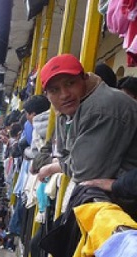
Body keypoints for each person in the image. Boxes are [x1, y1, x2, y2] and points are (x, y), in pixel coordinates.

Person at [35, 54, 137, 189]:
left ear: (85, 79)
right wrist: (65, 162)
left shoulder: (100, 108)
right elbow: (62, 154)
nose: (64, 94)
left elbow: (85, 172)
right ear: (47, 95)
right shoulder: (68, 110)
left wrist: (56, 166)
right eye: (55, 90)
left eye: (70, 83)